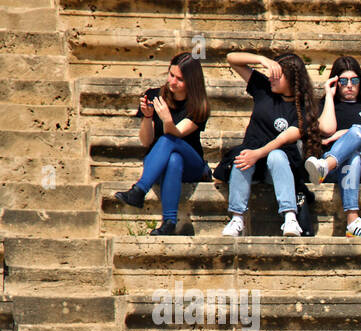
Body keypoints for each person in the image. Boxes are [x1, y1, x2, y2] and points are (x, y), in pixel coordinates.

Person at [219, 51, 321, 238]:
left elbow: (283, 139)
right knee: (243, 156)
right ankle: (237, 218)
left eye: (278, 74)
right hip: (252, 161)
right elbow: (232, 59)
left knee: (275, 155)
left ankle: (290, 217)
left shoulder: (303, 108)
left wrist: (257, 154)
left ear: (291, 79)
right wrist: (261, 60)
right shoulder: (263, 88)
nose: (271, 77)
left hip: (279, 166)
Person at [113, 52, 211, 236]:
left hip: (193, 164)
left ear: (191, 82)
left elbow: (177, 134)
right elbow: (146, 141)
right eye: (171, 75)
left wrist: (166, 119)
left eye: (179, 79)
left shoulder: (199, 105)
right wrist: (148, 116)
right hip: (161, 162)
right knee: (173, 160)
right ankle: (169, 223)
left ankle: (139, 190)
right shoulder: (153, 95)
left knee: (168, 140)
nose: (173, 82)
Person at [305, 56, 361, 238]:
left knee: (358, 131)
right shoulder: (324, 106)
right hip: (341, 170)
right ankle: (353, 222)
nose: (349, 85)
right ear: (336, 82)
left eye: (354, 80)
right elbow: (327, 128)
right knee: (353, 156)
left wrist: (342, 134)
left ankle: (324, 166)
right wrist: (328, 95)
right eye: (343, 81)